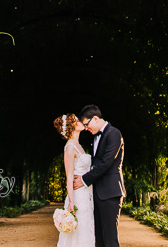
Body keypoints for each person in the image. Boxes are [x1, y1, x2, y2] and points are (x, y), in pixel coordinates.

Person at [73, 105, 125, 247]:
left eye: (86, 124)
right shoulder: (95, 138)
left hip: (109, 193)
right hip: (97, 193)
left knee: (110, 239)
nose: (85, 128)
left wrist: (84, 179)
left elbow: (105, 163)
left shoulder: (114, 134)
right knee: (99, 240)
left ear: (95, 118)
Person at [53, 113, 95, 246]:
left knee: (86, 229)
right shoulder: (70, 147)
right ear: (71, 127)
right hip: (78, 196)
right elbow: (69, 175)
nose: (80, 121)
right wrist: (71, 202)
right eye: (77, 121)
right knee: (79, 232)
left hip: (87, 193)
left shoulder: (79, 145)